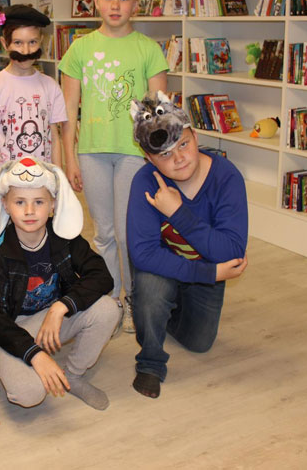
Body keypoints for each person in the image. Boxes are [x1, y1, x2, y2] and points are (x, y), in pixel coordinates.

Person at [59, 0, 169, 333]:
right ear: (95, 1)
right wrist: (70, 159)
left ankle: (137, 298)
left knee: (127, 232)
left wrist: (158, 157)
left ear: (136, 3)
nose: (115, 5)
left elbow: (158, 110)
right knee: (103, 233)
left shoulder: (148, 49)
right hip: (91, 152)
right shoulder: (79, 49)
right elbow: (68, 111)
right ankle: (111, 300)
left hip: (134, 154)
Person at [126, 91, 249, 399]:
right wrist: (210, 273)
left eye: (183, 144)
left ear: (196, 136)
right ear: (149, 159)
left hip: (202, 267)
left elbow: (232, 253)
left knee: (200, 343)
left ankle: (164, 309)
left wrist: (178, 212)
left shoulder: (226, 176)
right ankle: (150, 363)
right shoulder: (144, 181)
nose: (179, 158)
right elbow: (143, 254)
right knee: (151, 290)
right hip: (181, 268)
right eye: (165, 154)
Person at [0, 158, 121, 411]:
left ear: (53, 204)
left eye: (39, 202)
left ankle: (74, 375)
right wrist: (34, 354)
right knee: (29, 395)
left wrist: (61, 307)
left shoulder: (64, 238)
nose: (29, 211)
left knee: (109, 309)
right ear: (5, 204)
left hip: (55, 317)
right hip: (15, 328)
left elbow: (102, 275)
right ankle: (29, 355)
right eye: (20, 202)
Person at [0, 4, 67, 197]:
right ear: (4, 43)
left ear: (41, 41)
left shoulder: (51, 86)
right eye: (18, 43)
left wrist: (58, 180)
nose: (26, 50)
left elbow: (54, 137)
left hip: (43, 181)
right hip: (8, 183)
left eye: (32, 42)